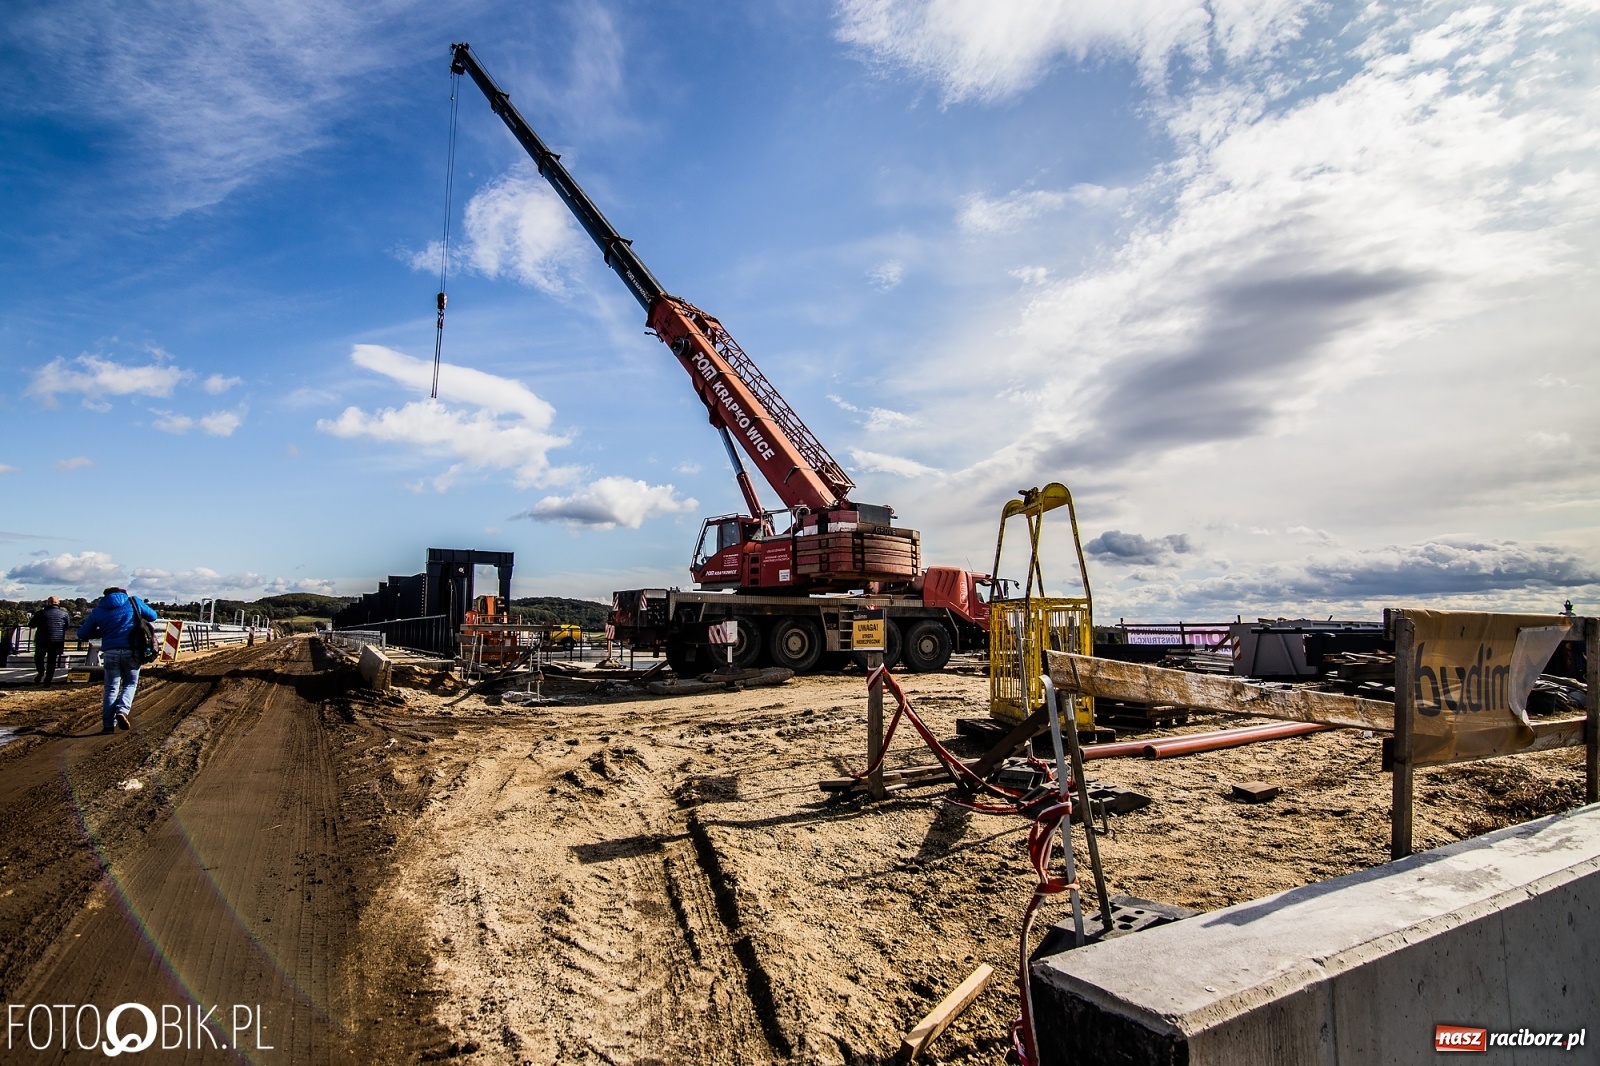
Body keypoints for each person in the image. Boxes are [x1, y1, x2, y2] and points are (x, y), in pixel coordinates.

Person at [77, 587, 158, 734]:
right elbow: (153, 616)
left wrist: (103, 631)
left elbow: (82, 633)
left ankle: (108, 725)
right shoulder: (133, 602)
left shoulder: (98, 610)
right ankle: (122, 710)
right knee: (130, 683)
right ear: (123, 594)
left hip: (110, 653)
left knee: (111, 688)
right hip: (132, 651)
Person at [29, 596, 72, 685]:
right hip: (57, 640)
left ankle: (41, 671)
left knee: (38, 657)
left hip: (42, 639)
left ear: (48, 603)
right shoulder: (64, 614)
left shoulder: (41, 613)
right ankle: (48, 680)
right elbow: (67, 626)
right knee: (52, 660)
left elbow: (31, 625)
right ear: (58, 603)